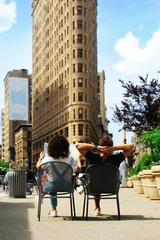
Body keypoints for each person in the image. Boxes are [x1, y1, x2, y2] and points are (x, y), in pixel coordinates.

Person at [76, 135, 134, 216]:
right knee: (98, 180)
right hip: (111, 187)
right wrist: (113, 148)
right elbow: (131, 146)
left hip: (95, 188)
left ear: (100, 146)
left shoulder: (93, 158)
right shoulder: (116, 158)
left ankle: (97, 208)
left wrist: (96, 147)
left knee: (96, 182)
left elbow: (78, 145)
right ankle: (97, 208)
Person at [36, 135, 81, 217]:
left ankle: (53, 210)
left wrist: (40, 158)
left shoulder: (47, 159)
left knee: (52, 184)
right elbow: (79, 169)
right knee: (54, 182)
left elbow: (38, 167)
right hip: (67, 187)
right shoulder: (70, 159)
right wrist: (79, 159)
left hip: (50, 187)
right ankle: (53, 209)